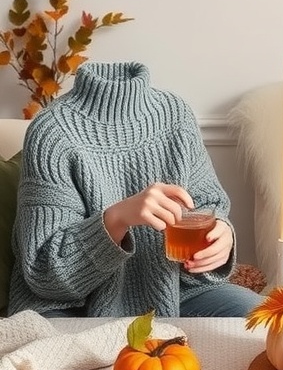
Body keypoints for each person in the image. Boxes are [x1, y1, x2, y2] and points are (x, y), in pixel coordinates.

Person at [8, 61, 261, 319]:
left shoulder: (176, 115)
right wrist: (116, 219)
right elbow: (44, 273)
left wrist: (221, 237)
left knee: (266, 320)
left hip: (176, 291)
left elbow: (209, 205)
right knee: (50, 347)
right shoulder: (50, 131)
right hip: (74, 307)